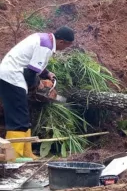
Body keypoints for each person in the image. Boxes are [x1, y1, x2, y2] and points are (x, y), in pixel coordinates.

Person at [0, 26, 74, 159]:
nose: (65, 49)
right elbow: (30, 73)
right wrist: (38, 84)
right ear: (62, 41)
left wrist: (46, 73)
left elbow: (34, 62)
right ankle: (12, 156)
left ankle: (26, 152)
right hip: (11, 77)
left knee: (24, 118)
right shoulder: (45, 45)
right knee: (17, 120)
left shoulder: (44, 39)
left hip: (15, 75)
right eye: (67, 46)